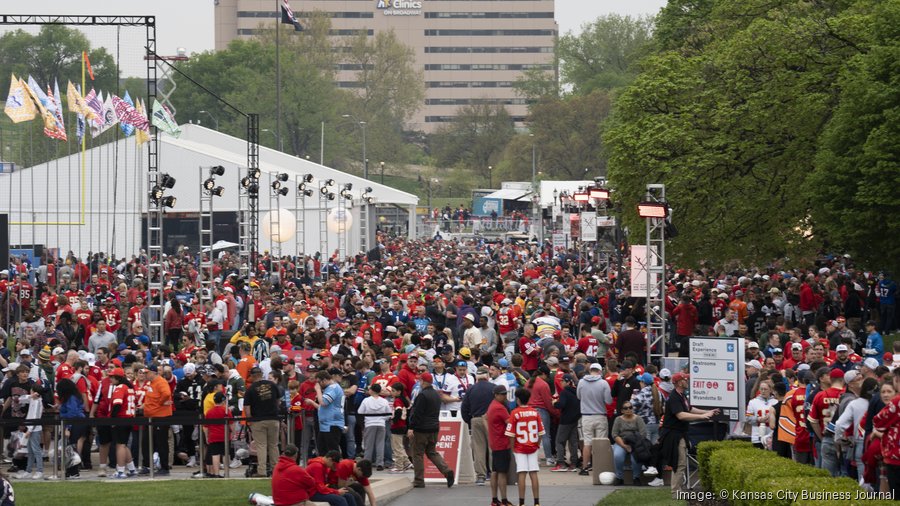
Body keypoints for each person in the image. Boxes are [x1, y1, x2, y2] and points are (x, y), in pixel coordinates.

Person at [655, 372, 717, 494]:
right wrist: (702, 417)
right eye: (685, 379)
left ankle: (676, 490)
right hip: (673, 435)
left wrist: (707, 411)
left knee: (680, 463)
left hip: (680, 433)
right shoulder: (674, 397)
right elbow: (681, 415)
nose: (687, 381)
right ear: (679, 382)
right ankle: (675, 492)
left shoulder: (682, 396)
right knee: (680, 463)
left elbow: (689, 409)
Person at [406, 371, 454, 488]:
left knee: (417, 454)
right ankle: (447, 471)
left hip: (421, 429)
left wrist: (411, 427)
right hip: (434, 427)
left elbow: (417, 414)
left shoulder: (422, 395)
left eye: (420, 380)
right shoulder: (436, 394)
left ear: (423, 381)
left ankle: (419, 480)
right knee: (432, 452)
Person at [505, 388, 543, 506]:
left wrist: (512, 448)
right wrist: (537, 444)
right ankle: (536, 502)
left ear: (518, 400)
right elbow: (541, 432)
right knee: (533, 473)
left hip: (519, 447)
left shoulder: (515, 413)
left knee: (521, 473)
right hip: (532, 445)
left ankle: (522, 502)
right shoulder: (535, 412)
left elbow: (511, 434)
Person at [461, 366, 495, 484]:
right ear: (487, 376)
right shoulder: (493, 388)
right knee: (492, 447)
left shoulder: (471, 389)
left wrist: (470, 421)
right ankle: (494, 473)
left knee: (478, 449)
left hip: (476, 419)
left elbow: (464, 407)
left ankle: (481, 476)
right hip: (491, 420)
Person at [576, 363, 612, 475]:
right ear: (600, 371)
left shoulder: (581, 382)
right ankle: (600, 468)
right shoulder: (603, 383)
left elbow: (579, 396)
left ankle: (585, 467)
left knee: (587, 443)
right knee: (601, 443)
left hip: (586, 415)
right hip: (600, 415)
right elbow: (608, 401)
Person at [244, 366, 280, 477]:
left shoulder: (250, 389)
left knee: (261, 446)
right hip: (273, 419)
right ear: (261, 374)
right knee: (274, 445)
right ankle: (276, 470)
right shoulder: (272, 385)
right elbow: (278, 400)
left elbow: (247, 407)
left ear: (252, 376)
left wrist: (250, 420)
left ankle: (262, 471)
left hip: (258, 420)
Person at [487, 384, 512, 506]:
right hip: (501, 443)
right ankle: (504, 500)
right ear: (496, 395)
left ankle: (494, 499)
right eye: (502, 394)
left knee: (495, 471)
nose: (504, 396)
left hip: (495, 442)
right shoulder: (500, 408)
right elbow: (510, 423)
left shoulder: (492, 405)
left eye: (505, 393)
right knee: (502, 472)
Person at [551, 374, 580, 472]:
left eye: (563, 381)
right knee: (573, 442)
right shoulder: (576, 391)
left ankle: (561, 463)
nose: (561, 382)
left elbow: (561, 404)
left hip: (565, 420)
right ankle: (574, 463)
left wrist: (555, 403)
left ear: (568, 382)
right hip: (575, 419)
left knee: (559, 441)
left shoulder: (564, 392)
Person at [358, 383, 391, 470]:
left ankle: (366, 463)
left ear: (371, 390)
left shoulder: (366, 400)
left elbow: (360, 411)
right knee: (380, 444)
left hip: (369, 423)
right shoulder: (384, 401)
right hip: (381, 424)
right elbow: (389, 414)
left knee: (369, 444)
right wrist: (383, 418)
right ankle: (380, 463)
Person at [745, 380, 776, 449]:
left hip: (771, 436)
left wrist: (771, 419)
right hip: (757, 436)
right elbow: (748, 418)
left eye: (765, 389)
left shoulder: (775, 402)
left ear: (771, 390)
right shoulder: (753, 402)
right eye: (761, 389)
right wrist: (758, 419)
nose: (763, 391)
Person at [388, 383, 411, 473]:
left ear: (399, 392)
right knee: (399, 445)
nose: (392, 392)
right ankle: (406, 462)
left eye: (393, 391)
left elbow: (398, 411)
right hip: (403, 425)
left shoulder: (397, 401)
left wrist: (394, 420)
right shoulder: (403, 400)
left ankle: (399, 466)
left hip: (397, 426)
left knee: (397, 447)